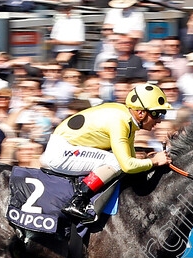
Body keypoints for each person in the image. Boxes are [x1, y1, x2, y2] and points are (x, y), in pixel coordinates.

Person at [39, 83, 173, 221]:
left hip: (68, 148)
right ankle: (78, 201)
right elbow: (127, 165)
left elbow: (132, 162)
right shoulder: (120, 121)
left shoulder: (129, 121)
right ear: (141, 112)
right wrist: (154, 161)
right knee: (116, 162)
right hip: (61, 152)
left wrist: (149, 160)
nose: (159, 120)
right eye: (157, 114)